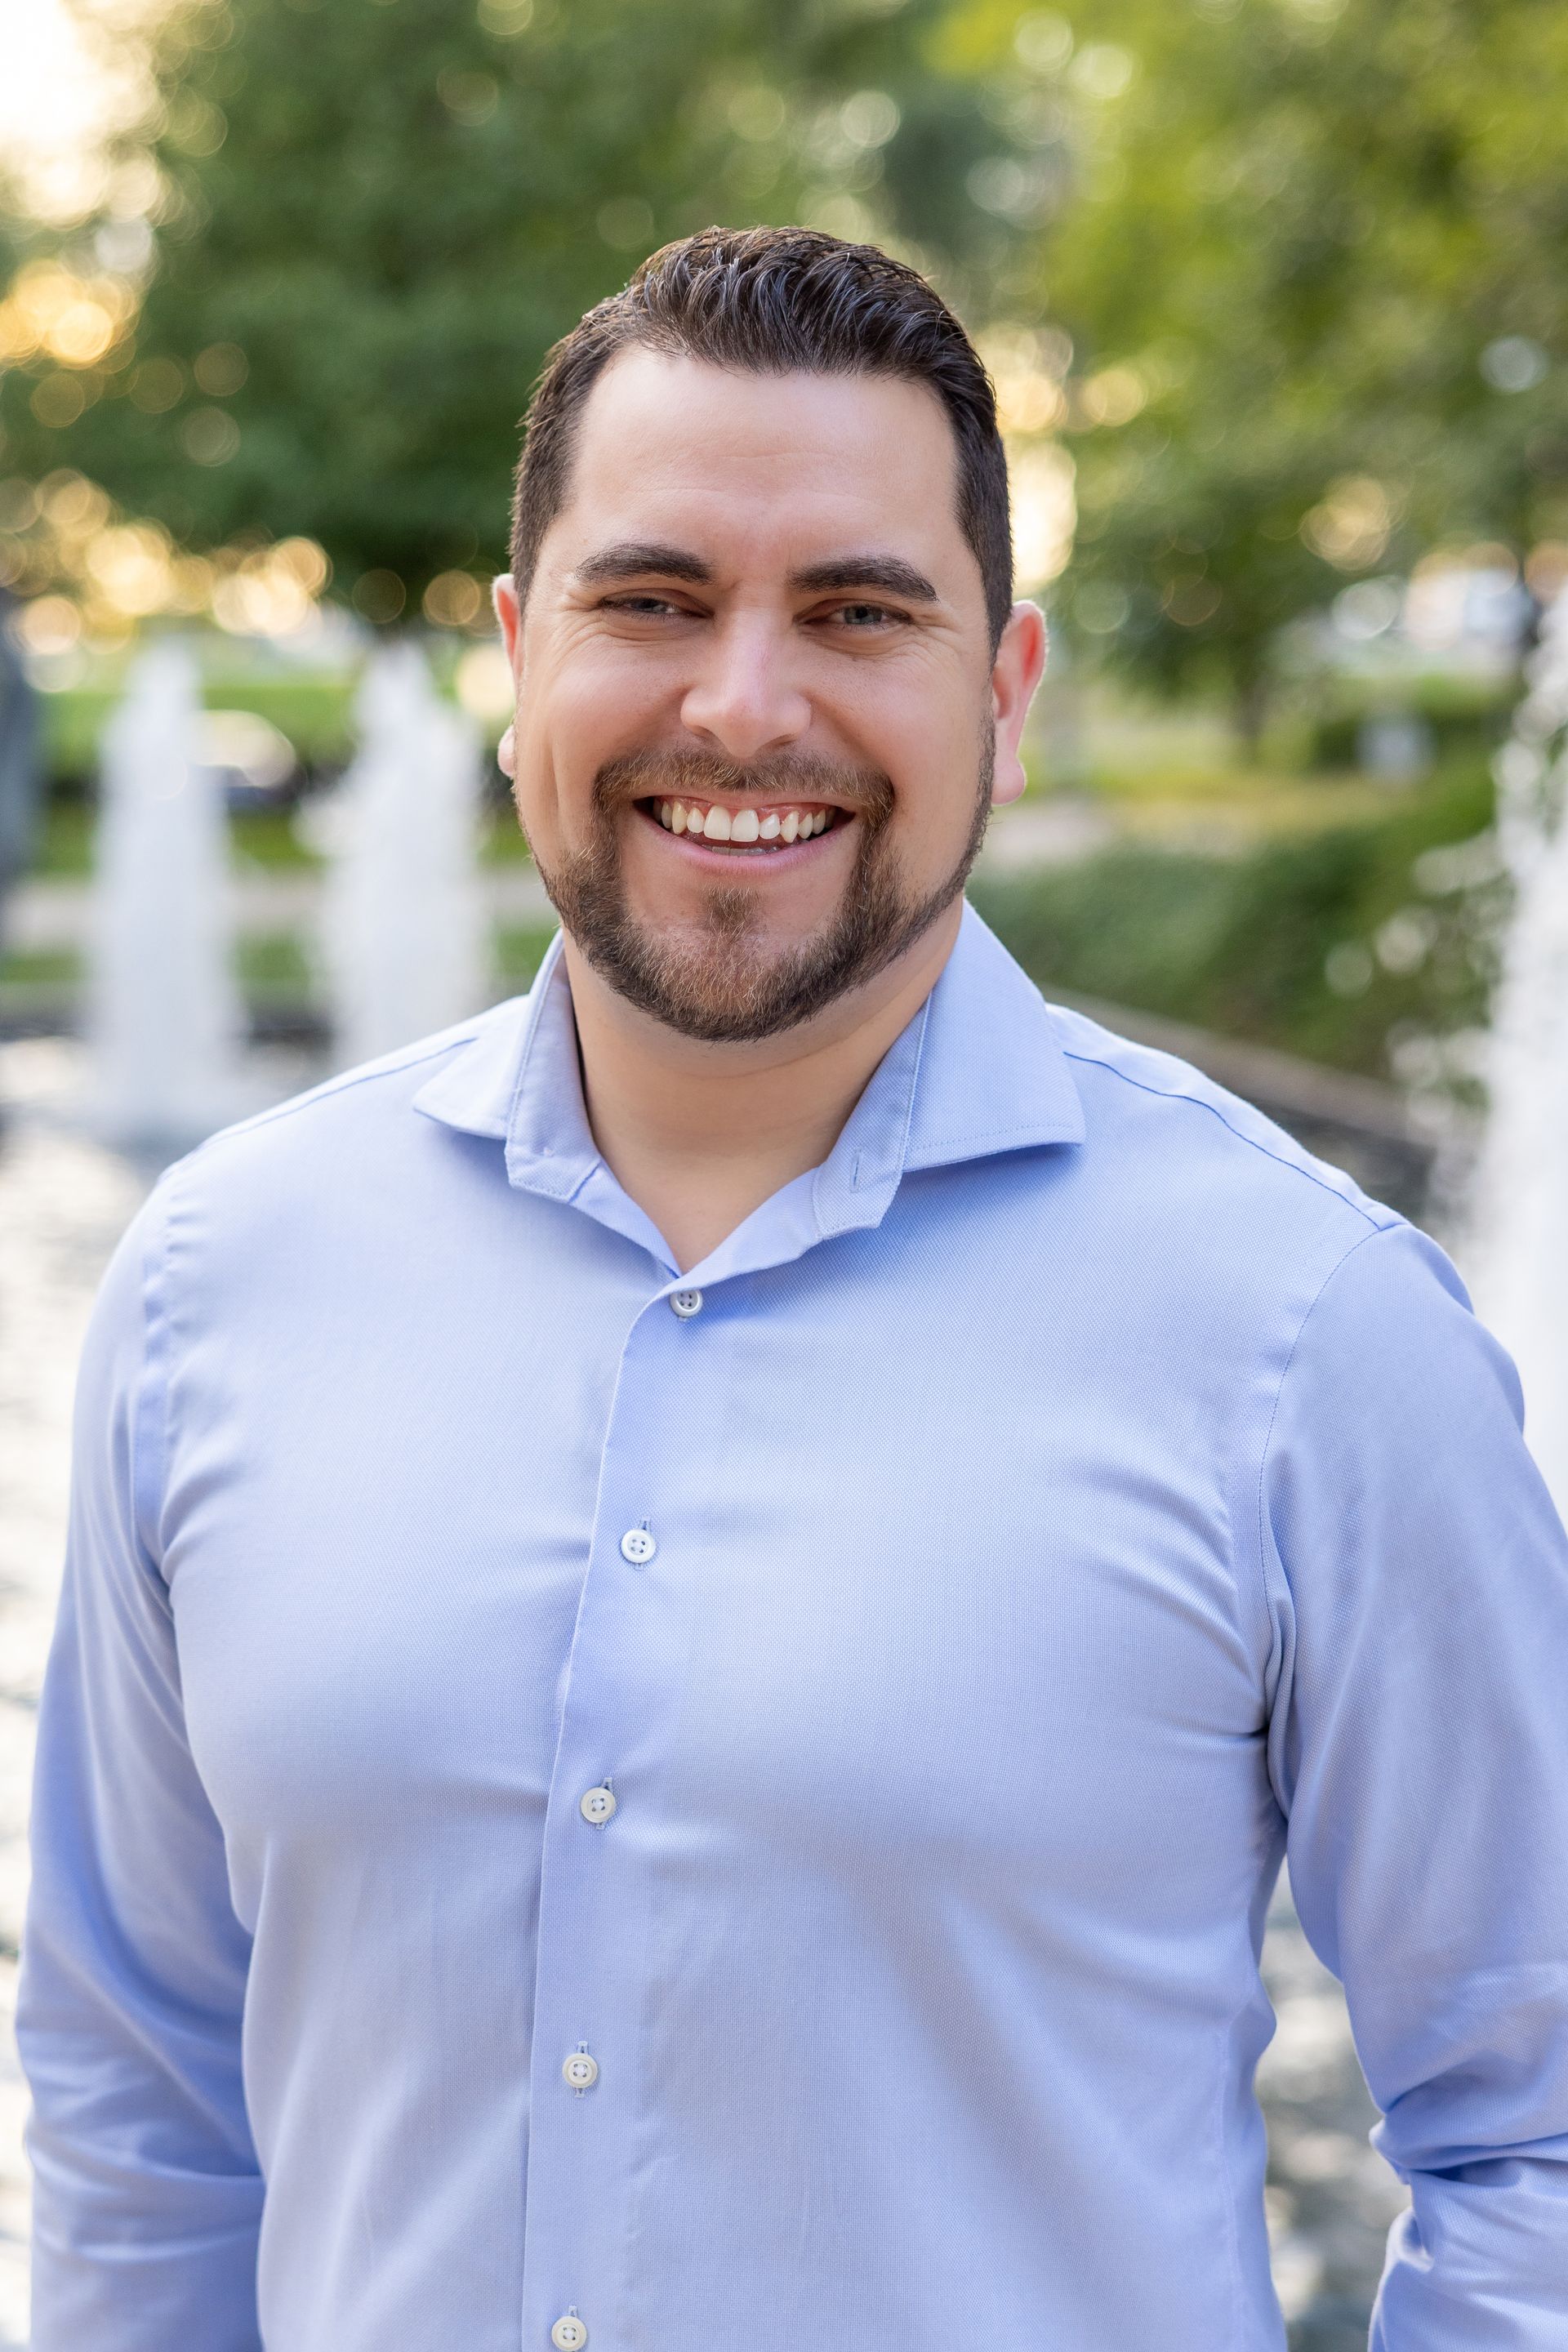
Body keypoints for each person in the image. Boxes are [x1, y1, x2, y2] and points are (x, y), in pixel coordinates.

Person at [17, 227, 1568, 2352]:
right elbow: (140, 2101)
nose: (745, 704)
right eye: (652, 602)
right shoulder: (218, 1282)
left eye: (858, 612)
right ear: (514, 658)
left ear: (1001, 696)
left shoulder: (1313, 1335)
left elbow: (1536, 2142)